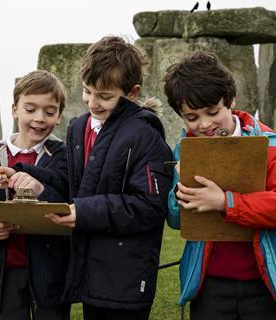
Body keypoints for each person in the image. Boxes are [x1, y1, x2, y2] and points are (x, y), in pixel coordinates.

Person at [163, 51, 276, 320]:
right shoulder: (182, 151)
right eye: (192, 117)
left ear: (230, 100)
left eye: (212, 112)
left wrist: (224, 202)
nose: (204, 124)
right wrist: (179, 191)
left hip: (265, 282)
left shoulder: (271, 145)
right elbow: (175, 220)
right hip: (209, 284)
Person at [42, 36, 173, 320]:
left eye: (105, 96)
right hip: (89, 267)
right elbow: (75, 183)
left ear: (133, 92)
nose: (92, 102)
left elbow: (150, 207)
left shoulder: (145, 136)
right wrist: (34, 178)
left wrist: (83, 212)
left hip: (126, 272)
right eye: (87, 91)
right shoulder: (78, 128)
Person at [0, 70, 71, 320]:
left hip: (50, 270)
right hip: (3, 270)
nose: (39, 118)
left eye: (49, 111)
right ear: (14, 110)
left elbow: (71, 202)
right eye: (30, 109)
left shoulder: (64, 158)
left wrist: (42, 189)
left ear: (59, 116)